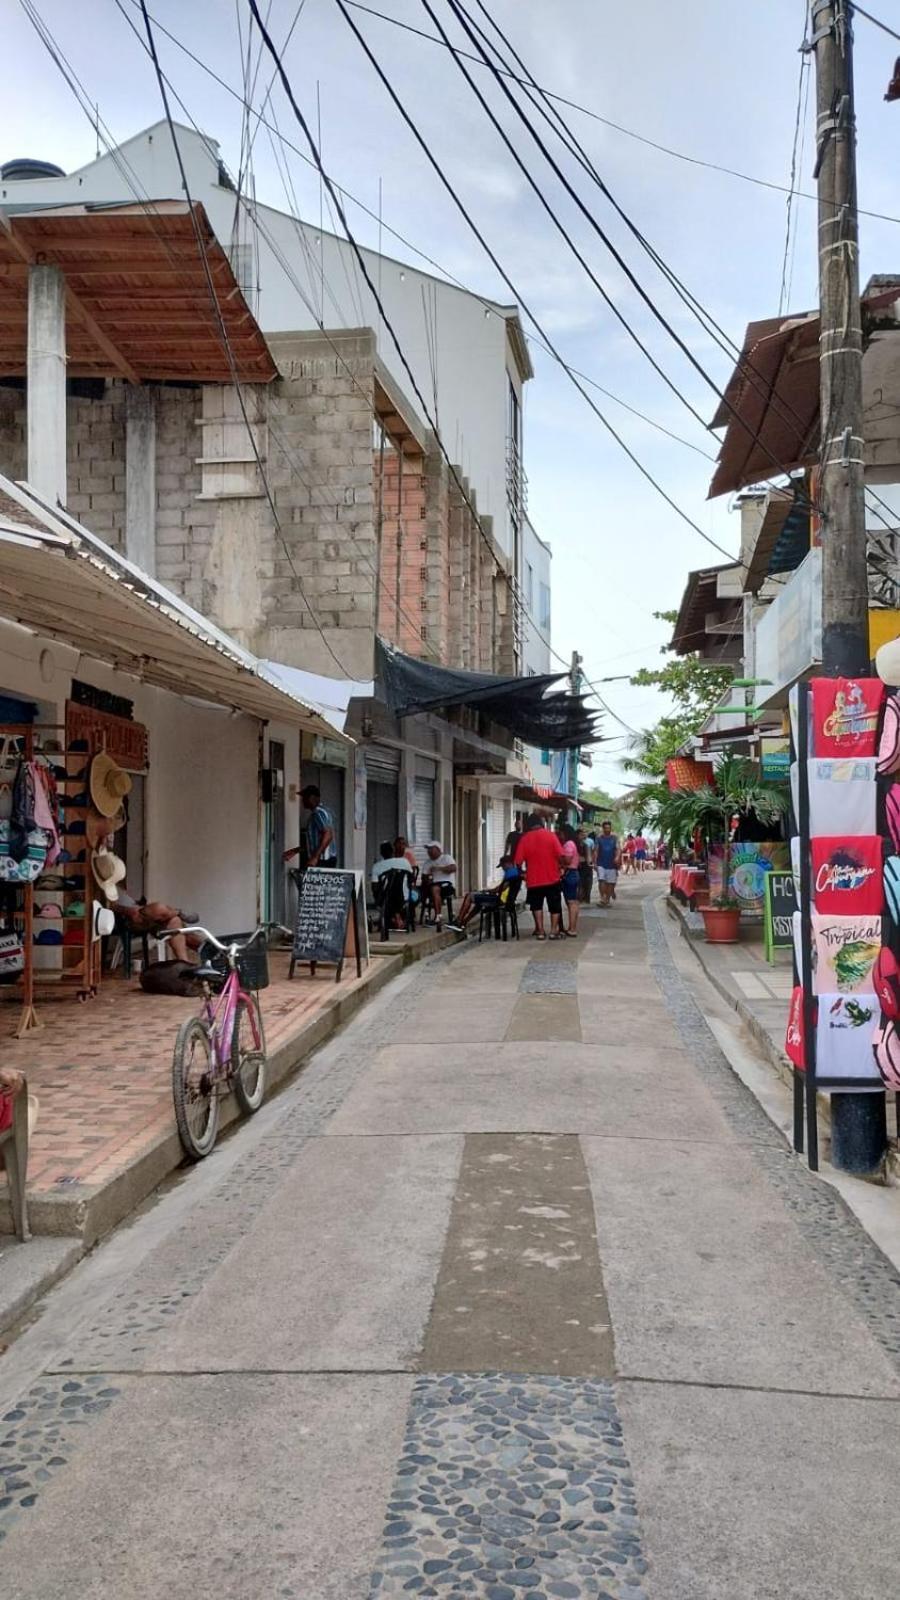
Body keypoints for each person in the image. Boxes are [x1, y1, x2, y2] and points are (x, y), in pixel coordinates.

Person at [515, 812, 564, 939]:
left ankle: (541, 931)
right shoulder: (551, 836)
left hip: (534, 879)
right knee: (554, 906)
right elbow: (561, 855)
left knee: (536, 905)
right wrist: (562, 868)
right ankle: (553, 931)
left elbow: (518, 862)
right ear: (541, 823)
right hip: (552, 878)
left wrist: (522, 874)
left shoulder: (525, 838)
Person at [450, 854, 519, 932]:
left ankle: (459, 921)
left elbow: (501, 888)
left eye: (503, 866)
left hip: (499, 900)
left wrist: (488, 891)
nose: (502, 868)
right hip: (506, 900)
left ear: (508, 863)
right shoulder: (516, 872)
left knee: (469, 896)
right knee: (479, 903)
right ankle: (463, 923)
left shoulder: (510, 873)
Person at [283, 785, 336, 869]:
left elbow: (328, 834)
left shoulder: (318, 813)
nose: (302, 801)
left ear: (311, 798)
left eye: (304, 797)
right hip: (322, 859)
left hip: (322, 860)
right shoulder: (323, 811)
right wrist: (294, 851)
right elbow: (314, 842)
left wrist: (315, 857)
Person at [371, 840, 413, 928]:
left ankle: (393, 917)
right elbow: (411, 879)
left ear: (381, 853)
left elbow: (375, 887)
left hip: (386, 898)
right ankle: (396, 917)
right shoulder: (404, 862)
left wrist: (377, 901)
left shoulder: (377, 866)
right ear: (393, 851)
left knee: (383, 894)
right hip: (404, 896)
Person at [423, 840, 457, 928]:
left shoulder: (446, 858)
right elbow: (424, 877)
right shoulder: (427, 862)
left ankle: (438, 916)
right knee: (424, 889)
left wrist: (439, 868)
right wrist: (428, 876)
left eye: (431, 849)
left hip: (447, 884)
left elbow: (453, 868)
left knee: (435, 889)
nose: (429, 851)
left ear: (438, 849)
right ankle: (426, 914)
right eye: (428, 849)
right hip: (433, 884)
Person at [558, 823, 581, 937]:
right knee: (573, 902)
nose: (560, 836)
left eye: (561, 833)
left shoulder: (568, 844)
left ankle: (572, 928)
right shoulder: (573, 844)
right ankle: (572, 927)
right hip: (573, 874)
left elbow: (567, 860)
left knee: (571, 902)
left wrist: (559, 859)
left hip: (569, 874)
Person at [595, 819, 621, 907]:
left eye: (608, 828)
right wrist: (595, 862)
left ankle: (607, 899)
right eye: (605, 828)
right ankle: (602, 897)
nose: (607, 830)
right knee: (601, 880)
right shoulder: (599, 838)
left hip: (612, 864)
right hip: (601, 863)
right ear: (603, 828)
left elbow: (618, 849)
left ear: (610, 828)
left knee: (611, 882)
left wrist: (617, 857)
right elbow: (596, 850)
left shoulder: (614, 838)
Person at [578, 827, 595, 903]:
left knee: (587, 883)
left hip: (586, 865)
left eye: (584, 833)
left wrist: (591, 862)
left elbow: (591, 853)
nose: (583, 835)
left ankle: (586, 898)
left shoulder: (589, 842)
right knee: (581, 883)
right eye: (581, 834)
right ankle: (581, 898)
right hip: (580, 866)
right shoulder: (576, 844)